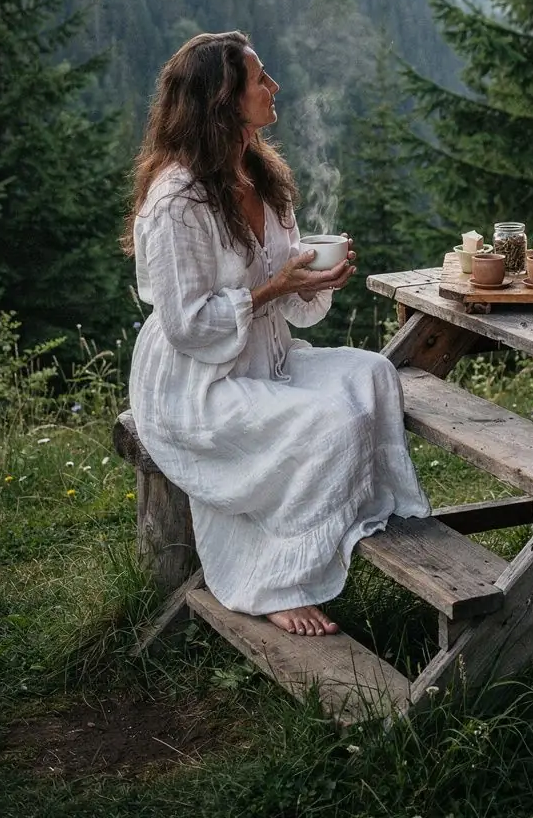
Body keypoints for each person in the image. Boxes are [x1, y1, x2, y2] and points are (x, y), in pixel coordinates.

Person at [124, 31, 430, 637]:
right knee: (329, 423)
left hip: (266, 358)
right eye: (260, 79)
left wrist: (313, 281)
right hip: (195, 383)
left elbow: (290, 299)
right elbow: (187, 326)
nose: (274, 86)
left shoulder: (260, 175)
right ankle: (272, 582)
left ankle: (357, 518)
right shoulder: (176, 200)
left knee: (374, 373)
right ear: (222, 100)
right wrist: (272, 290)